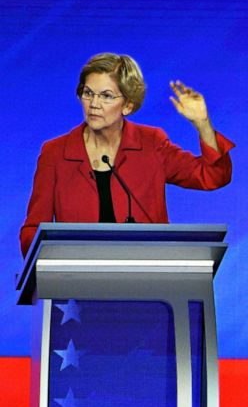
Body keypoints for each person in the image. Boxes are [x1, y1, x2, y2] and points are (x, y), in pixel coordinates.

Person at [19, 53, 235, 255]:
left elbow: (213, 176)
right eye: (88, 93)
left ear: (128, 106)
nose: (94, 104)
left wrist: (202, 124)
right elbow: (32, 230)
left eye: (106, 96)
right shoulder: (55, 153)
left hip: (148, 279)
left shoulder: (151, 144)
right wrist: (53, 266)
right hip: (76, 283)